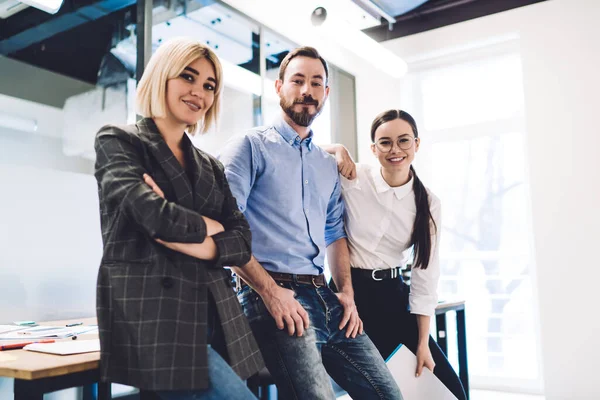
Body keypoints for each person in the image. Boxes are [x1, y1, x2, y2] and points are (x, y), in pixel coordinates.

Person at [216, 47, 402, 400]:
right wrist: (271, 293)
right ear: (279, 87)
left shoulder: (325, 163)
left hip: (324, 295)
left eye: (316, 83)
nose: (307, 91)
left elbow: (335, 234)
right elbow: (226, 229)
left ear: (326, 93)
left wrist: (346, 292)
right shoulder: (248, 147)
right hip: (272, 294)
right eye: (298, 81)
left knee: (388, 395)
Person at [93, 37, 263, 400]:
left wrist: (199, 242)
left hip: (219, 314)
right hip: (159, 317)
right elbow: (153, 217)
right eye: (188, 77)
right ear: (161, 77)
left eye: (209, 85)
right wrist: (213, 227)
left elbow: (243, 239)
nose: (198, 92)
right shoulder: (119, 141)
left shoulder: (211, 165)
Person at [325, 109, 467, 399]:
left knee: (451, 392)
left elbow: (425, 276)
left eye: (403, 141)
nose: (395, 150)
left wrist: (423, 342)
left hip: (392, 296)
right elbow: (299, 152)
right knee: (380, 390)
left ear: (417, 144)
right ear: (373, 148)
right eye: (385, 142)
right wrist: (337, 149)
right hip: (347, 295)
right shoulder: (353, 177)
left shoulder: (428, 203)